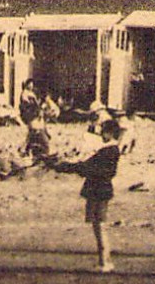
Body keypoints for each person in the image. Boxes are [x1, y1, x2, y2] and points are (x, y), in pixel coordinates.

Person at [48, 117, 124, 273]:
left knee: (99, 225)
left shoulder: (107, 151)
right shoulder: (111, 150)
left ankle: (105, 262)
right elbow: (87, 166)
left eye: (103, 131)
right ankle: (104, 260)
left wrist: (63, 167)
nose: (101, 134)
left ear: (109, 133)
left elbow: (87, 167)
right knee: (98, 225)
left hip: (98, 190)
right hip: (101, 189)